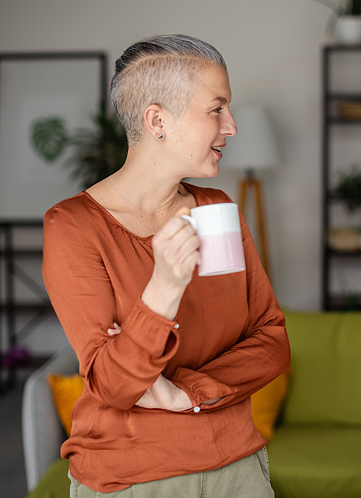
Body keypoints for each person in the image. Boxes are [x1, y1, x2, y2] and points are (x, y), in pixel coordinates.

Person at [42, 34, 290, 497]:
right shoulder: (74, 227)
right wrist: (163, 289)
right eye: (217, 109)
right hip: (130, 479)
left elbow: (271, 342)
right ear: (157, 120)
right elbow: (115, 386)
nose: (231, 126)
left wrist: (184, 393)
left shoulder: (215, 212)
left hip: (239, 468)